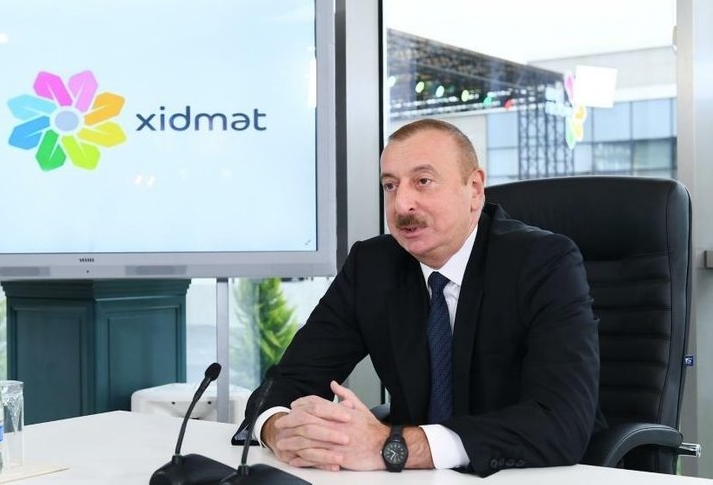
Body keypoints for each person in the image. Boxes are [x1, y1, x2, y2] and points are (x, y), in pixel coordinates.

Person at [242, 118, 603, 477]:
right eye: (390, 185)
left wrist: (392, 446)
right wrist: (279, 431)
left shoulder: (543, 263)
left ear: (475, 189)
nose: (402, 205)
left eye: (423, 181)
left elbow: (560, 421)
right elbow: (286, 383)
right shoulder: (372, 266)